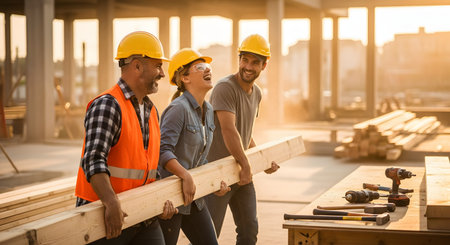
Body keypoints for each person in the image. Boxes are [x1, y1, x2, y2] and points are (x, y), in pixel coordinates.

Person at [75, 31, 177, 245]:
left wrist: (160, 203)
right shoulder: (108, 105)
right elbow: (93, 160)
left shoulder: (151, 111)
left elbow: (150, 168)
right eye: (157, 66)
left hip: (143, 218)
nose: (162, 74)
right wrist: (111, 203)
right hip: (105, 218)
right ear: (137, 66)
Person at [205, 34, 280, 245]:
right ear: (239, 60)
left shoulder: (256, 93)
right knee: (209, 237)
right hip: (217, 175)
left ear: (264, 65)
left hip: (241, 172)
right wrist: (247, 164)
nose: (248, 66)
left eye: (255, 62)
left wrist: (262, 162)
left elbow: (244, 134)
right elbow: (228, 130)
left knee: (249, 232)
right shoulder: (224, 88)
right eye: (245, 60)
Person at [157, 48, 230, 245]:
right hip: (170, 200)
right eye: (200, 67)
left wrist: (214, 183)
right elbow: (162, 152)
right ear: (184, 77)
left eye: (208, 66)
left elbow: (200, 157)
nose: (208, 70)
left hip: (194, 198)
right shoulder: (177, 109)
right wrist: (185, 175)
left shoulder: (208, 111)